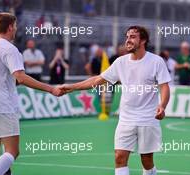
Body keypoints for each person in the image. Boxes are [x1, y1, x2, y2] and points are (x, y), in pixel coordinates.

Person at [59, 26, 171, 175]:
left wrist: (162, 106)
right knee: (119, 157)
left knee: (147, 160)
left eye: (132, 37)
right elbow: (99, 79)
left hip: (148, 118)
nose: (128, 40)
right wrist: (72, 87)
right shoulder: (120, 62)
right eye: (127, 37)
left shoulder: (156, 61)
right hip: (126, 118)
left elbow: (164, 87)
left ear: (143, 40)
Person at [0, 12, 64, 175]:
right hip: (4, 105)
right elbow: (21, 78)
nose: (16, 29)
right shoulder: (10, 49)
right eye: (15, 26)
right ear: (10, 27)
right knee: (12, 151)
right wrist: (51, 88)